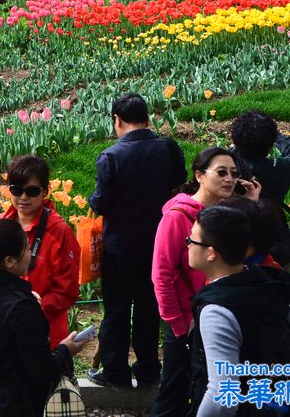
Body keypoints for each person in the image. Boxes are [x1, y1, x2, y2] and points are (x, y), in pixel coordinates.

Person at [150, 148, 260, 417]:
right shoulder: (177, 217)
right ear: (199, 175)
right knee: (173, 395)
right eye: (221, 172)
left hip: (221, 318)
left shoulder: (229, 215)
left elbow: (249, 259)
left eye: (234, 174)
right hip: (187, 323)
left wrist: (252, 206)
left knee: (208, 391)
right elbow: (161, 275)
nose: (229, 179)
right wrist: (177, 324)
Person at [87, 93, 186, 390]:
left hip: (119, 247)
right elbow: (178, 188)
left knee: (117, 310)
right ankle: (147, 371)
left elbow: (101, 205)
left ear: (117, 120)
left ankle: (115, 371)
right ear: (147, 117)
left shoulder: (112, 156)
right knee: (149, 308)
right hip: (159, 244)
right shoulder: (169, 149)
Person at [187, 206, 290, 416]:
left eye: (191, 241)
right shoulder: (265, 283)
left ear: (211, 253)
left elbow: (222, 398)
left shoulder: (216, 311)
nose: (188, 245)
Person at [0, 218, 85, 416]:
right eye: (27, 249)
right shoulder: (21, 308)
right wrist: (66, 350)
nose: (31, 255)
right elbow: (41, 372)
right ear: (9, 261)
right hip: (10, 405)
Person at [0, 155, 80, 349]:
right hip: (3, 326)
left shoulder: (59, 232)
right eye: (16, 190)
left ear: (45, 191)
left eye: (31, 191)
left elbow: (67, 290)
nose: (23, 197)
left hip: (44, 330)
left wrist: (33, 309)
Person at [230, 110, 290, 233]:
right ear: (271, 143)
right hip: (272, 231)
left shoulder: (225, 167)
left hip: (233, 231)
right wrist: (279, 137)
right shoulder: (281, 170)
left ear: (234, 138)